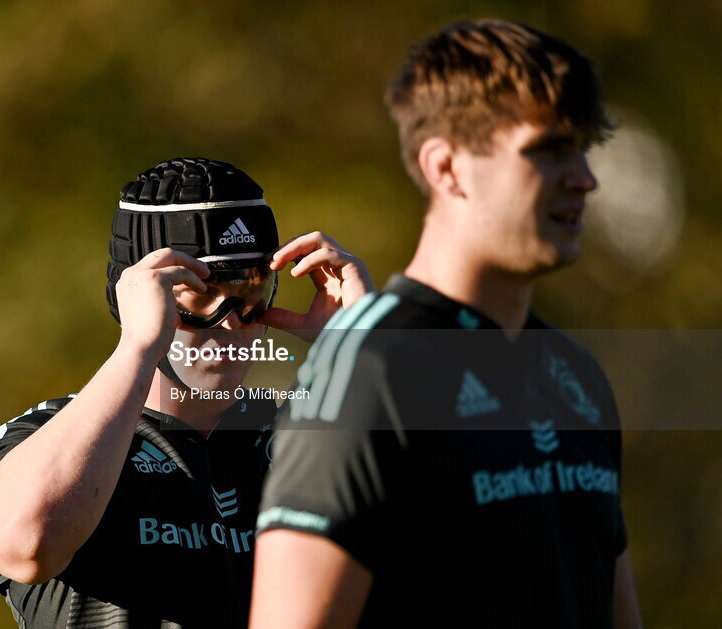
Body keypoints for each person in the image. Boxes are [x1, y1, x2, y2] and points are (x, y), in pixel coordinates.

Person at [252, 19, 643, 629]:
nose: (585, 178)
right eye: (547, 149)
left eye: (583, 148)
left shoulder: (575, 374)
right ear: (446, 167)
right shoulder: (367, 369)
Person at [0, 157, 372, 628]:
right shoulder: (47, 436)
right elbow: (24, 545)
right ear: (138, 297)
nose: (230, 321)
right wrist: (139, 347)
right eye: (199, 290)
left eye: (250, 290)